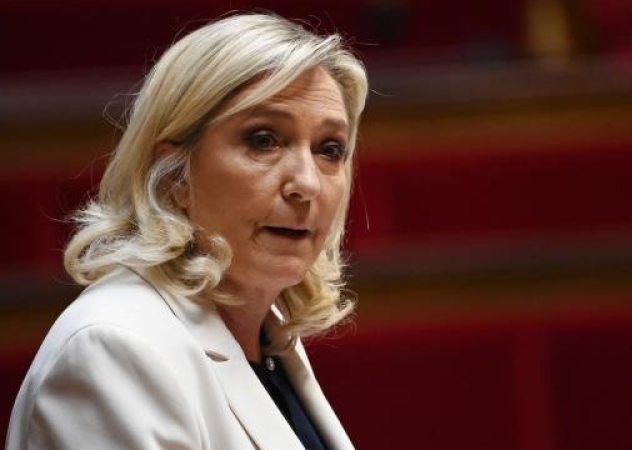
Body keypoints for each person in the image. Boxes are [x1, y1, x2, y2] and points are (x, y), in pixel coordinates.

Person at [6, 12, 368, 450]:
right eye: (264, 140)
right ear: (174, 174)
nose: (307, 184)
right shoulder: (115, 350)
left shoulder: (266, 337)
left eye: (330, 149)